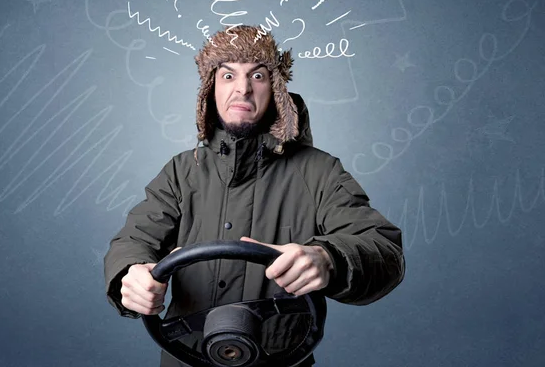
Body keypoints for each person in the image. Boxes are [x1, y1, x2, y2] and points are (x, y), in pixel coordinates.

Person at [103, 25, 405, 367]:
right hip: (185, 358)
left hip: (281, 361)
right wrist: (131, 274)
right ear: (210, 90)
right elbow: (133, 239)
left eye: (257, 75)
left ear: (275, 88)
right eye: (228, 75)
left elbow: (384, 249)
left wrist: (329, 258)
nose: (243, 88)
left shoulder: (320, 172)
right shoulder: (180, 172)